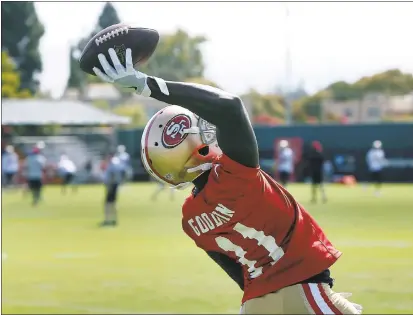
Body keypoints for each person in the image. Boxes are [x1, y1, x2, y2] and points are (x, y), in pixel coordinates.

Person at [91, 48, 363, 314]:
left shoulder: (191, 219)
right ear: (196, 146)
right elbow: (229, 106)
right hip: (304, 291)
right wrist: (147, 84)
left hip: (255, 303)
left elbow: (240, 274)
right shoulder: (234, 176)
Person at [101, 154, 124, 227]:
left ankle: (107, 220)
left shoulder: (112, 165)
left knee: (107, 204)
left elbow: (111, 176)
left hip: (112, 185)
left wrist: (109, 186)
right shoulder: (117, 164)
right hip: (115, 185)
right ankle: (114, 219)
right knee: (113, 203)